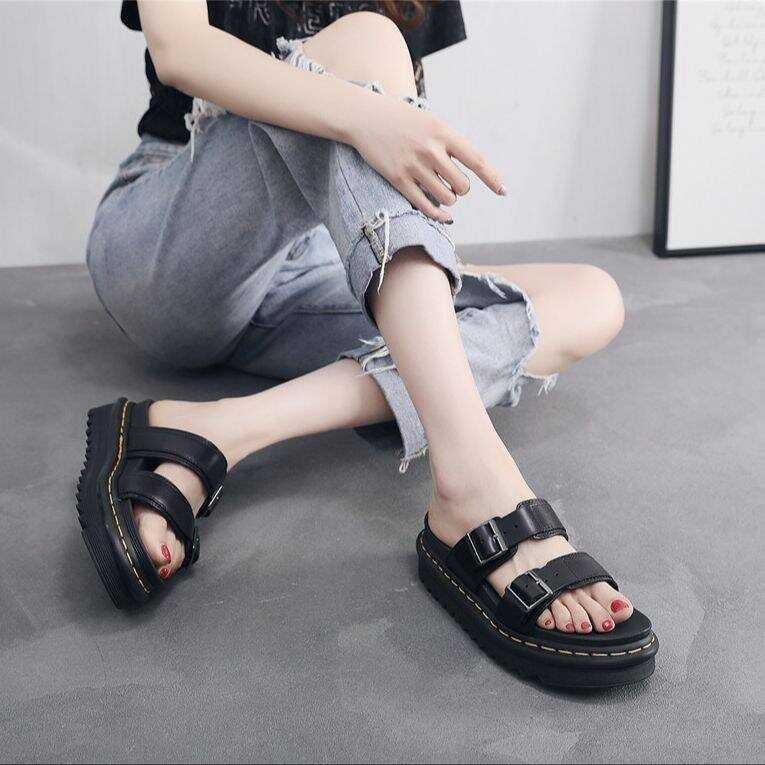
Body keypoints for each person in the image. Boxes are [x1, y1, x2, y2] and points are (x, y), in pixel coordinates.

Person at [78, 0, 657, 688]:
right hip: (180, 243)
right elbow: (181, 52)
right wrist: (363, 112)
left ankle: (218, 429)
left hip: (314, 261)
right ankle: (474, 481)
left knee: (589, 298)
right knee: (369, 39)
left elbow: (371, 175)